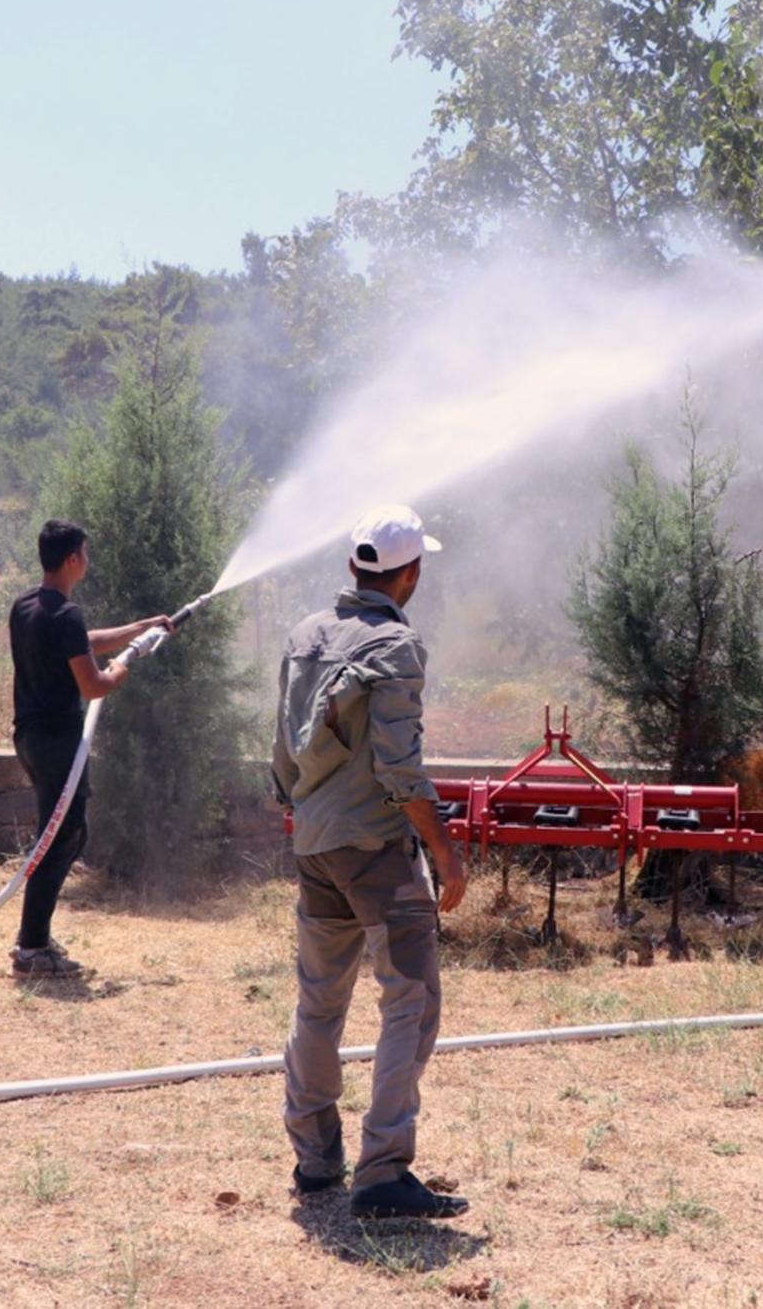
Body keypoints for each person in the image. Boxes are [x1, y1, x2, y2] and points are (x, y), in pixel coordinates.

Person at [272, 504, 470, 1221]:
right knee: (411, 1002)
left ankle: (315, 1159)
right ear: (409, 573)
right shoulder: (395, 645)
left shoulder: (305, 635)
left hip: (315, 844)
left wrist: (307, 812)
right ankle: (383, 1172)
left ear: (355, 567)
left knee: (319, 1001)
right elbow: (399, 767)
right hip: (376, 853)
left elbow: (283, 752)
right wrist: (444, 851)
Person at [7, 518, 173, 979]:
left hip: (30, 738)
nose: (89, 559)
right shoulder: (66, 614)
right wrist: (124, 665)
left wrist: (140, 628)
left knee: (62, 833)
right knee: (62, 836)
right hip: (58, 743)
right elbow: (94, 685)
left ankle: (34, 937)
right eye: (86, 551)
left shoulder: (27, 606)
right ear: (73, 559)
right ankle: (33, 945)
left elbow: (79, 643)